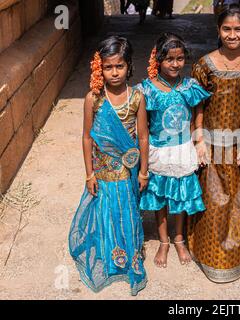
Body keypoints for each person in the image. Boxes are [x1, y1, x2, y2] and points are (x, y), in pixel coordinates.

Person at [69, 36, 149, 295]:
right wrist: (89, 174)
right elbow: (86, 137)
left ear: (129, 67)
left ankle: (130, 258)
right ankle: (109, 257)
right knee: (105, 213)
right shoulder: (94, 99)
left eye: (120, 66)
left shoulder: (137, 97)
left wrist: (145, 171)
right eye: (108, 67)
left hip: (128, 172)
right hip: (102, 171)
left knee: (127, 210)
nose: (114, 73)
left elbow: (144, 136)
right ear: (99, 68)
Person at [187, 4, 240, 283]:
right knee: (212, 202)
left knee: (237, 203)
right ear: (218, 30)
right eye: (227, 28)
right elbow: (198, 105)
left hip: (239, 146)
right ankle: (205, 255)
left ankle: (231, 261)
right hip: (212, 145)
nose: (232, 34)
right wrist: (198, 137)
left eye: (238, 29)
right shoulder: (205, 64)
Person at [139, 33, 211, 268]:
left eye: (180, 59)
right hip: (158, 150)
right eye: (169, 59)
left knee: (180, 195)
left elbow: (198, 107)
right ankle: (163, 241)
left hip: (182, 149)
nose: (175, 64)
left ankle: (178, 238)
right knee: (159, 197)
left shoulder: (189, 86)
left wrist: (199, 135)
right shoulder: (148, 90)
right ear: (159, 59)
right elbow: (142, 122)